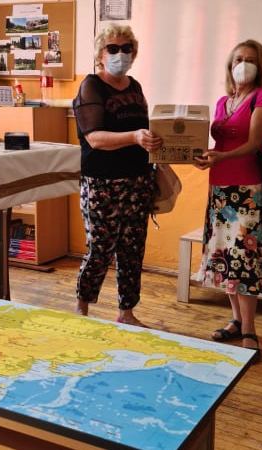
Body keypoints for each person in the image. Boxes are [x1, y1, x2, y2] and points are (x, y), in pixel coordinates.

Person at [193, 39, 262, 354]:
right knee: (223, 258)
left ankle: (250, 330)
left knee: (245, 259)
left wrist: (221, 157)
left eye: (250, 59)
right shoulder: (222, 101)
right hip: (219, 188)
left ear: (260, 65)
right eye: (238, 59)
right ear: (230, 66)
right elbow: (219, 145)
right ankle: (236, 320)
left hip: (247, 191)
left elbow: (255, 143)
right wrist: (202, 156)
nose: (243, 64)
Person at [73, 24, 162, 326]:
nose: (120, 54)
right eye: (112, 48)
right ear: (100, 53)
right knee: (100, 249)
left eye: (126, 48)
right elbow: (94, 138)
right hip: (102, 183)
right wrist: (134, 136)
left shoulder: (135, 86)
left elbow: (147, 130)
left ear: (134, 53)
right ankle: (82, 308)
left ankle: (127, 313)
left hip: (138, 180)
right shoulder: (91, 86)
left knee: (132, 250)